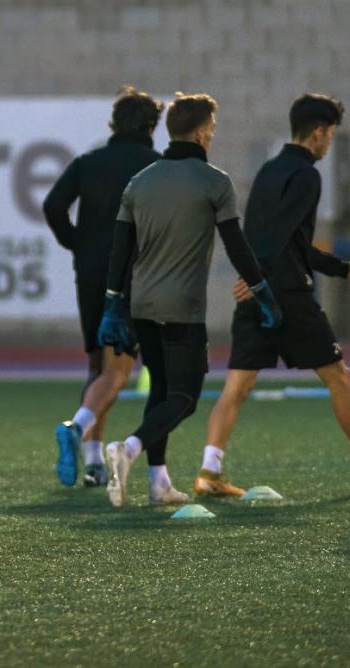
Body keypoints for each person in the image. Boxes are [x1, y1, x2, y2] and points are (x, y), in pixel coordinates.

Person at [194, 94, 350, 497]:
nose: (329, 143)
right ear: (318, 132)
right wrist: (260, 275)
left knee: (237, 386)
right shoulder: (307, 176)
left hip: (255, 294)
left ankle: (209, 473)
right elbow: (281, 234)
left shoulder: (267, 171)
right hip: (288, 296)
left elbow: (279, 240)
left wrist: (339, 267)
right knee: (339, 377)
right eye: (330, 135)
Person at [98, 93, 280, 508]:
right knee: (184, 397)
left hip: (141, 304)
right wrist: (263, 292)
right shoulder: (215, 181)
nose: (212, 136)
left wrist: (113, 304)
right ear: (200, 133)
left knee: (161, 390)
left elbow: (120, 250)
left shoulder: (139, 182)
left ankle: (159, 482)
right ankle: (128, 447)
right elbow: (236, 244)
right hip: (183, 307)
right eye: (212, 129)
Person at [45, 86, 161, 488]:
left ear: (114, 124)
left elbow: (52, 206)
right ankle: (76, 429)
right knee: (119, 369)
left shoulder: (88, 162)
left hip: (90, 270)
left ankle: (93, 461)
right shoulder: (155, 166)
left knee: (97, 364)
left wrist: (77, 243)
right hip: (133, 275)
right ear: (151, 125)